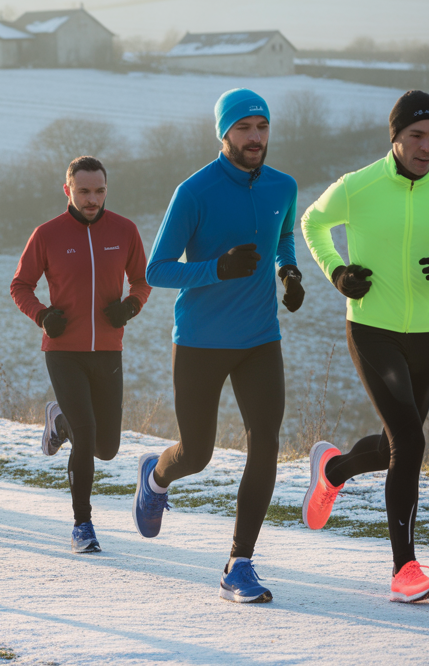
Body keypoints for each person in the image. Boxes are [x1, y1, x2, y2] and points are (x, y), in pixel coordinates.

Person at [300, 91, 429, 603]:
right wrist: (337, 272)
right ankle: (404, 569)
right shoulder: (359, 186)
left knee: (398, 445)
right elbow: (312, 222)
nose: (427, 147)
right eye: (417, 136)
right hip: (371, 329)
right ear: (395, 137)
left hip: (428, 334)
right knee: (410, 442)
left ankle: (332, 471)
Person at [135, 89, 304, 604]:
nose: (256, 137)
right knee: (197, 453)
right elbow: (157, 270)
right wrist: (217, 269)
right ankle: (156, 476)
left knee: (266, 442)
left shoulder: (283, 185)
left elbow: (282, 236)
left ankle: (239, 563)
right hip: (201, 340)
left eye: (262, 126)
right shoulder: (195, 191)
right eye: (244, 128)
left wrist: (289, 271)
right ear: (224, 133)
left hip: (259, 337)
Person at [10, 156, 151, 554]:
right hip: (63, 351)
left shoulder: (125, 230)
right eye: (84, 191)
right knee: (86, 435)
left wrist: (130, 307)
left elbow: (142, 281)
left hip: (107, 349)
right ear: (67, 189)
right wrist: (42, 316)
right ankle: (82, 526)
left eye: (99, 191)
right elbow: (20, 285)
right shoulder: (47, 234)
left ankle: (60, 420)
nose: (92, 199)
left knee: (107, 448)